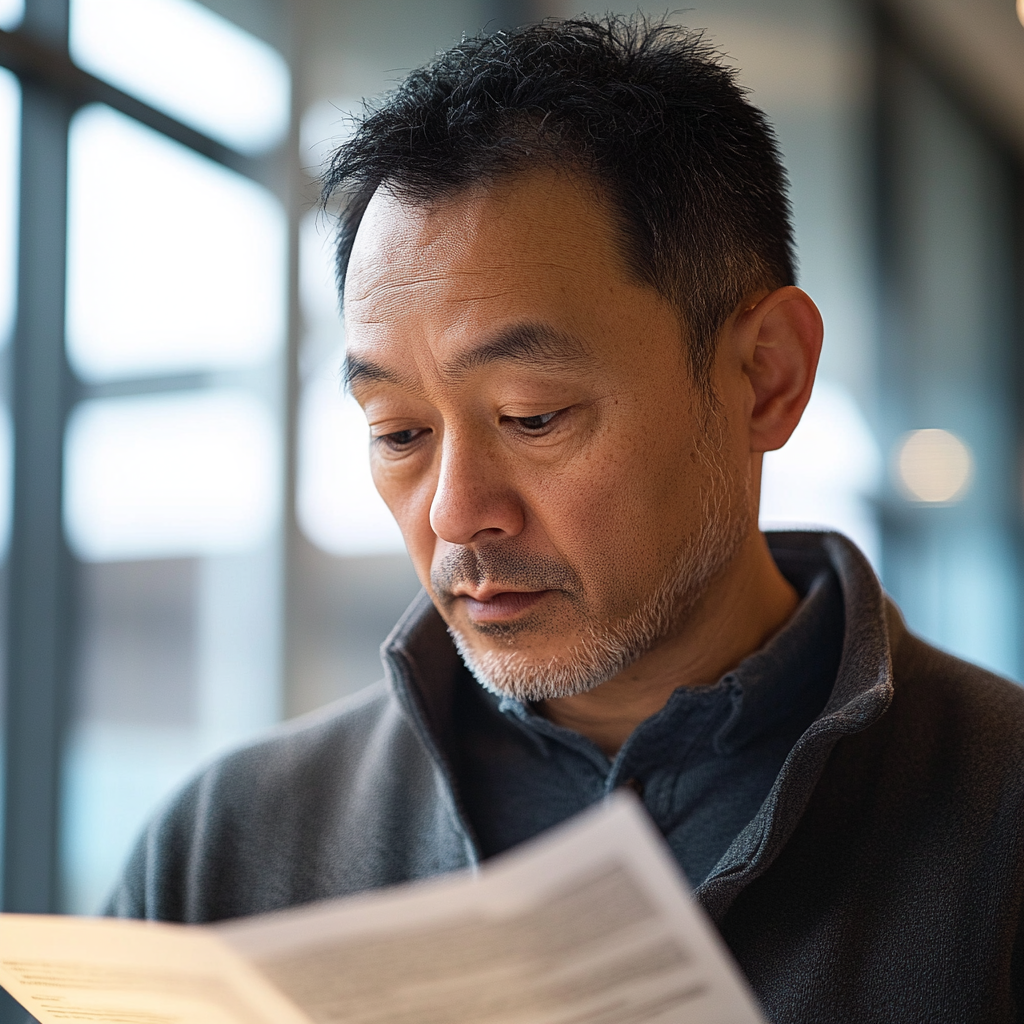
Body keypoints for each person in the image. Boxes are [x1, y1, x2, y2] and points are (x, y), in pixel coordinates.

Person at [109, 15, 1024, 1020]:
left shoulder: (997, 822)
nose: (456, 512)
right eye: (400, 431)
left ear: (766, 375)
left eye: (530, 416)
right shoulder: (224, 852)